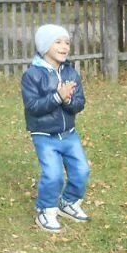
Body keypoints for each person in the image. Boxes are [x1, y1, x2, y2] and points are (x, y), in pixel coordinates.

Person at [22, 24, 91, 232]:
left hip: (69, 134)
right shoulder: (32, 75)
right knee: (54, 175)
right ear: (44, 46)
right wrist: (57, 96)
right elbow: (33, 107)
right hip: (44, 135)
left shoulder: (71, 72)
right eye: (58, 42)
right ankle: (47, 209)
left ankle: (68, 202)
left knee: (82, 169)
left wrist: (68, 100)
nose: (64, 46)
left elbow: (80, 103)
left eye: (67, 42)